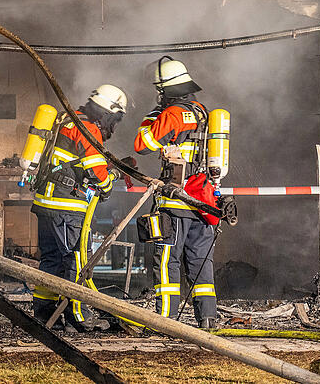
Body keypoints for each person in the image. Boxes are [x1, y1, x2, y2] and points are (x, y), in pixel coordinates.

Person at [31, 84, 127, 332]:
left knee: (51, 259)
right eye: (114, 119)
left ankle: (44, 313)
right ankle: (77, 315)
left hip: (46, 203)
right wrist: (108, 183)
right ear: (107, 111)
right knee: (76, 258)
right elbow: (96, 170)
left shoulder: (66, 119)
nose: (113, 127)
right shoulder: (87, 127)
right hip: (66, 207)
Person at [134, 57, 218, 328]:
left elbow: (141, 145)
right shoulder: (202, 111)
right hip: (203, 200)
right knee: (200, 262)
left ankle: (166, 321)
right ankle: (207, 318)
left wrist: (151, 119)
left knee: (168, 259)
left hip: (175, 199)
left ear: (164, 90)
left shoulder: (171, 114)